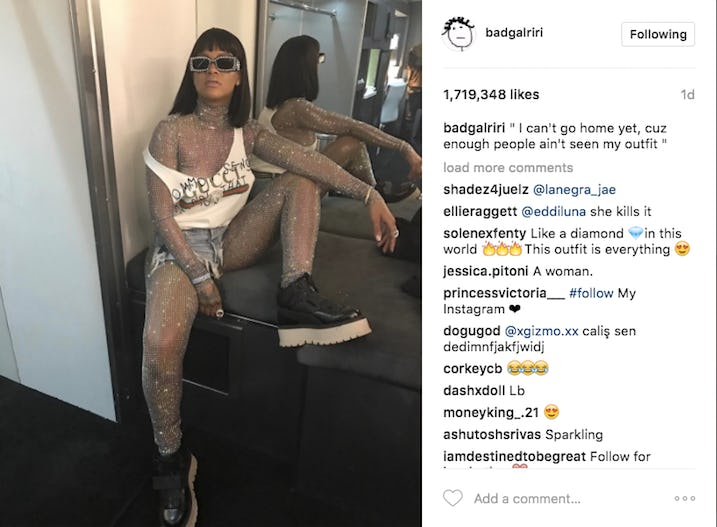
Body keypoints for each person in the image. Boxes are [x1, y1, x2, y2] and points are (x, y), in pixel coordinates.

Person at [142, 28, 397, 526]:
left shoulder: (251, 133)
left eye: (224, 62)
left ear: (239, 76)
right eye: (202, 62)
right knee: (160, 341)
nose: (212, 70)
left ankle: (295, 289)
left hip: (231, 240)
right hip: (179, 250)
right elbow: (162, 217)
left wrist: (370, 195)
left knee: (301, 179)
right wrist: (199, 279)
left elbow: (311, 161)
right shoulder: (170, 130)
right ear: (191, 73)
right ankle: (171, 456)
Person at [250, 35, 422, 202]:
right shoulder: (296, 108)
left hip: (278, 183)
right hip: (275, 191)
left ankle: (371, 191)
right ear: (306, 67)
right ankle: (374, 193)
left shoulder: (278, 105)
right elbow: (352, 126)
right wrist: (404, 148)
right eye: (318, 59)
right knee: (352, 142)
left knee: (350, 141)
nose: (319, 65)